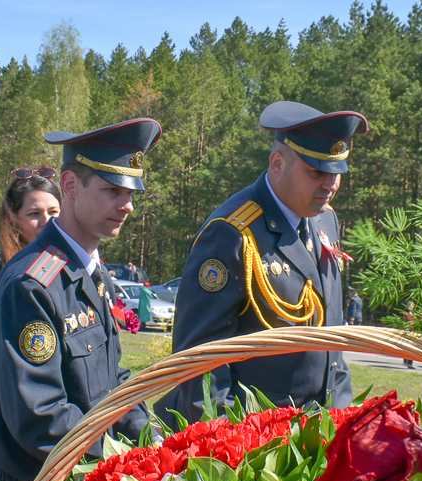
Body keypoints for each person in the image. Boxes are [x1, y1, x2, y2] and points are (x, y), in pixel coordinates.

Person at [0, 119, 162, 481]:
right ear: (71, 186)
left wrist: (155, 440)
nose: (127, 205)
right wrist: (120, 457)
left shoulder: (87, 272)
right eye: (112, 190)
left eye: (131, 193)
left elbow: (109, 381)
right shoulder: (32, 284)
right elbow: (40, 415)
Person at [157, 101, 366, 423]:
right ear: (277, 163)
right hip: (257, 437)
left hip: (320, 425)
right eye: (317, 172)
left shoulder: (325, 221)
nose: (331, 184)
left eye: (338, 172)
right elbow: (199, 357)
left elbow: (331, 337)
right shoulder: (232, 232)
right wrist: (224, 441)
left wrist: (340, 416)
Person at [0, 167, 62, 435]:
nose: (46, 222)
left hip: (65, 422)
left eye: (53, 212)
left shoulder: (75, 273)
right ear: (13, 220)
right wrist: (25, 379)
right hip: (4, 421)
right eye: (33, 214)